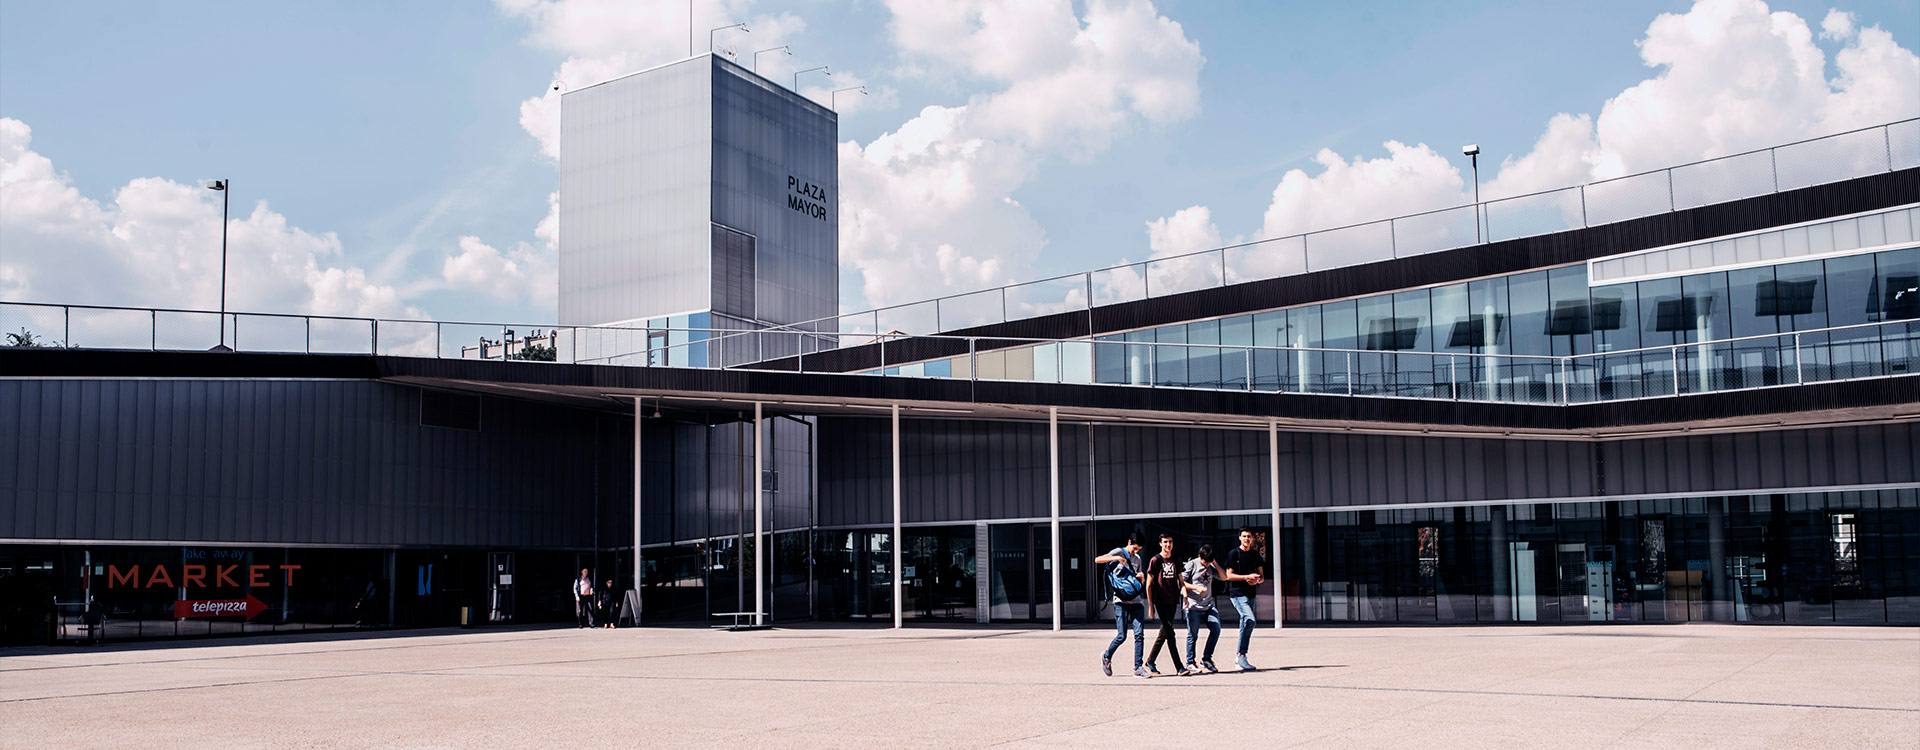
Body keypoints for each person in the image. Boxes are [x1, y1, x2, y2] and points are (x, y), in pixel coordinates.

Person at [1095, 533, 1149, 679]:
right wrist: (1117, 558)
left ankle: (1138, 668)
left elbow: (1137, 581)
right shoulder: (1118, 552)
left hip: (1136, 601)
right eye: (1134, 548)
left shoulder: (1138, 559)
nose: (1135, 552)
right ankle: (1106, 656)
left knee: (1139, 635)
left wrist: (1142, 578)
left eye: (1138, 549)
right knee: (1122, 635)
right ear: (1129, 542)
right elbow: (1098, 559)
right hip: (1120, 601)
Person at [1143, 534, 1192, 676]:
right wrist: (1151, 606)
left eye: (1170, 542)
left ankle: (1150, 661)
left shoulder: (1176, 559)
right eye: (1165, 542)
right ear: (1160, 543)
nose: (1168, 545)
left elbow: (1181, 580)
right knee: (1170, 633)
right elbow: (1148, 584)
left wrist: (1185, 595)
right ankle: (1179, 667)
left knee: (1164, 632)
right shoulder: (1155, 560)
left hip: (1173, 600)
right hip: (1160, 601)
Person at [1222, 527, 1267, 671]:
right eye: (1244, 536)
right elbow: (1228, 575)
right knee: (1250, 619)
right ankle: (1242, 654)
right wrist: (1246, 577)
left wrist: (1257, 580)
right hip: (1237, 594)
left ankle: (1239, 658)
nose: (1247, 539)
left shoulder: (1254, 555)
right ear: (1239, 538)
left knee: (1244, 624)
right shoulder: (1234, 554)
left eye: (1249, 537)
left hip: (1250, 594)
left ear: (1252, 538)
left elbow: (1261, 576)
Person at [1181, 544, 1222, 673]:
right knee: (1193, 635)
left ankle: (1207, 659)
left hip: (1208, 605)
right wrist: (1196, 588)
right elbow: (1180, 582)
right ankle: (1190, 662)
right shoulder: (1192, 565)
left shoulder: (1211, 565)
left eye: (1209, 562)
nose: (1207, 565)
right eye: (1205, 562)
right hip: (1194, 606)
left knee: (1216, 629)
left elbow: (1224, 577)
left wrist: (1214, 562)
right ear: (1199, 556)